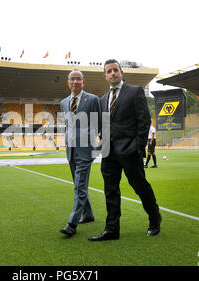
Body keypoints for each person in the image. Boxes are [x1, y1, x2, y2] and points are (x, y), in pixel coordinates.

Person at [89, 59, 161, 241]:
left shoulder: (135, 91)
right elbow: (104, 124)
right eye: (109, 71)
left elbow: (144, 121)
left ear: (121, 72)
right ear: (105, 76)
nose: (113, 73)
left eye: (115, 70)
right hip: (109, 152)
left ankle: (154, 218)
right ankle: (112, 230)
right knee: (110, 190)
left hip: (129, 150)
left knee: (140, 186)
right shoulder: (103, 99)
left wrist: (138, 146)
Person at [59, 69, 101, 237]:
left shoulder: (92, 99)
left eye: (78, 79)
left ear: (83, 82)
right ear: (68, 82)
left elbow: (101, 123)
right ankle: (88, 214)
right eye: (72, 79)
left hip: (86, 149)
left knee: (79, 185)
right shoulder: (63, 102)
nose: (75, 82)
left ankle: (72, 223)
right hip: (70, 149)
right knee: (79, 184)